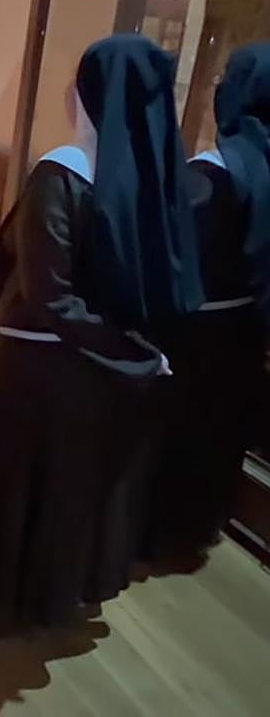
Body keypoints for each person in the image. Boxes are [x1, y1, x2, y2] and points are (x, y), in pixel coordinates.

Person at [0, 34, 203, 637]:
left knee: (22, 487)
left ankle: (5, 605)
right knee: (76, 492)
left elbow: (49, 293)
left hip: (40, 366)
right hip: (110, 374)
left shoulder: (64, 172)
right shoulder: (162, 178)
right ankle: (62, 598)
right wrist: (136, 354)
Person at [141, 43, 270, 564]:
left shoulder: (211, 175)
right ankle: (196, 531)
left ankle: (157, 537)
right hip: (250, 330)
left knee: (179, 433)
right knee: (221, 433)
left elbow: (172, 254)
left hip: (196, 330)